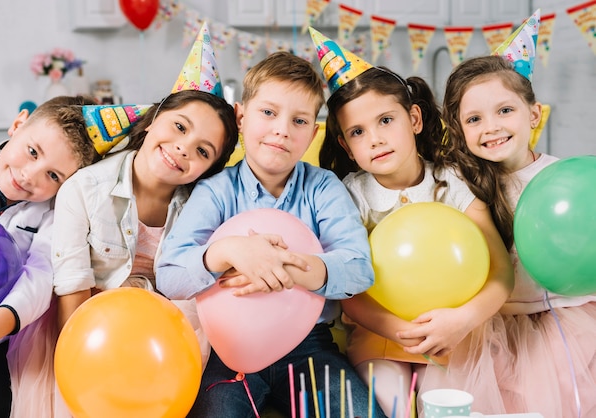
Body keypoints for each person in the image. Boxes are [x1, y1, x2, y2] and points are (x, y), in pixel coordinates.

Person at [156, 50, 386, 418]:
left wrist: (285, 268)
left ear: (313, 132)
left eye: (298, 120)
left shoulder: (323, 188)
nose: (282, 129)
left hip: (310, 347)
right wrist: (228, 251)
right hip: (229, 349)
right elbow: (169, 275)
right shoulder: (216, 191)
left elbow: (359, 268)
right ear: (242, 117)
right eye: (268, 112)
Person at [310, 27, 514, 416]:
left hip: (453, 335)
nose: (375, 138)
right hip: (380, 335)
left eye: (386, 120)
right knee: (393, 407)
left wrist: (461, 320)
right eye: (358, 131)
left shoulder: (453, 182)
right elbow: (347, 292)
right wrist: (399, 332)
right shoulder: (349, 196)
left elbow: (500, 271)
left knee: (444, 406)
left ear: (415, 118)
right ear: (346, 148)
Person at [48, 23, 238, 418]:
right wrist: (82, 366)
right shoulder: (84, 190)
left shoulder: (205, 204)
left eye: (202, 151)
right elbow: (72, 289)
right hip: (92, 333)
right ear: (154, 119)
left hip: (169, 346)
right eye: (179, 127)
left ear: (208, 167)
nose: (182, 149)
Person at [424, 51, 596, 416]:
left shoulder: (566, 179)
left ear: (533, 114)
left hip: (567, 315)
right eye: (474, 119)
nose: (491, 127)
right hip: (495, 324)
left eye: (505, 110)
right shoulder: (461, 187)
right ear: (459, 130)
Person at [0, 94, 98, 418]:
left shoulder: (53, 213)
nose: (31, 176)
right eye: (32, 152)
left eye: (53, 176)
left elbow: (41, 274)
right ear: (17, 124)